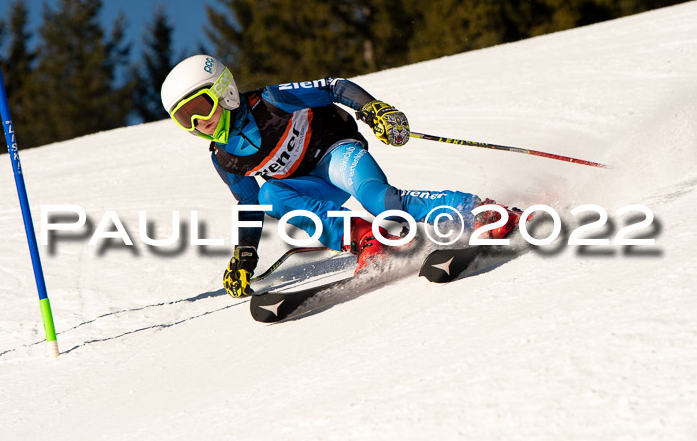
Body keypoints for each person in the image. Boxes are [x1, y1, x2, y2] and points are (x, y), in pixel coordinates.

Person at [161, 55, 523, 298]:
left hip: (336, 152)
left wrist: (372, 109)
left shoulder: (271, 101)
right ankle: (367, 240)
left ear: (223, 91)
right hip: (308, 184)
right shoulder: (224, 158)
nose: (198, 123)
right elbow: (249, 205)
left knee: (381, 202)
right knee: (270, 196)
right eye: (184, 118)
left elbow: (333, 87)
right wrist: (244, 254)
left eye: (200, 107)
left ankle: (478, 211)